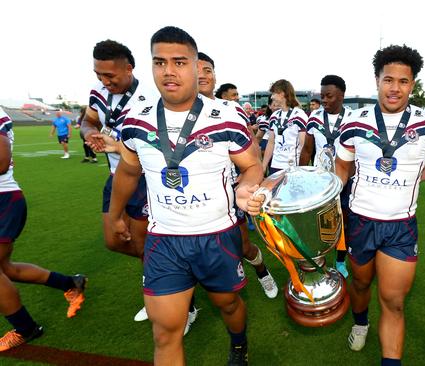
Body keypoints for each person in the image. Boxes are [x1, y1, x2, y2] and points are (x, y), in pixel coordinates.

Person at [110, 26, 262, 365]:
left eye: (179, 62)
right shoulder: (136, 119)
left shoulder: (227, 115)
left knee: (229, 305)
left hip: (217, 235)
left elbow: (251, 165)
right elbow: (129, 169)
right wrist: (115, 212)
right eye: (159, 62)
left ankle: (238, 344)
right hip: (164, 240)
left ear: (196, 66)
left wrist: (246, 187)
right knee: (164, 333)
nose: (169, 71)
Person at [334, 45, 425, 365]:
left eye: (403, 81)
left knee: (394, 302)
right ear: (377, 80)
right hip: (361, 221)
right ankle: (361, 322)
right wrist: (323, 194)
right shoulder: (355, 121)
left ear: (413, 84)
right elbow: (342, 169)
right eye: (388, 79)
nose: (395, 88)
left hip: (400, 227)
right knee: (361, 283)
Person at [79, 39, 166, 324]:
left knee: (143, 245)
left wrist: (117, 144)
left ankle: (162, 296)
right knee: (113, 241)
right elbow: (88, 121)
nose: (104, 81)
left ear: (129, 69)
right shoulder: (98, 93)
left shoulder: (153, 96)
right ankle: (172, 271)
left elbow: (160, 141)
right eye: (98, 75)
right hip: (115, 177)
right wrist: (88, 134)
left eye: (110, 76)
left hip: (144, 178)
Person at [0, 107, 87, 351]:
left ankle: (26, 329)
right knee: (5, 267)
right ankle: (70, 283)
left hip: (4, 200)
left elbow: (1, 162)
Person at [198, 51, 278, 299]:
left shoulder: (230, 109)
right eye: (195, 70)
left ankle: (263, 272)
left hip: (231, 190)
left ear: (214, 75)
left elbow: (251, 151)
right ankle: (187, 306)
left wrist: (252, 177)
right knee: (193, 256)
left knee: (243, 246)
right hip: (192, 197)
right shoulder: (166, 112)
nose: (201, 76)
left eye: (207, 70)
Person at [300, 74, 352, 278]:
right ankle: (317, 259)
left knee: (344, 222)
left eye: (329, 96)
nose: (324, 100)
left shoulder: (353, 118)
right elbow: (306, 151)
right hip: (319, 181)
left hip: (346, 180)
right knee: (318, 223)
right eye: (322, 96)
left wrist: (344, 180)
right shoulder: (313, 118)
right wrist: (300, 177)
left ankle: (340, 261)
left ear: (342, 95)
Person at [262, 79, 308, 175]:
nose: (272, 97)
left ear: (282, 93)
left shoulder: (299, 115)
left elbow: (303, 145)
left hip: (292, 166)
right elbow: (271, 143)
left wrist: (302, 168)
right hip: (275, 166)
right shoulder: (274, 116)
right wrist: (263, 165)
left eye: (274, 93)